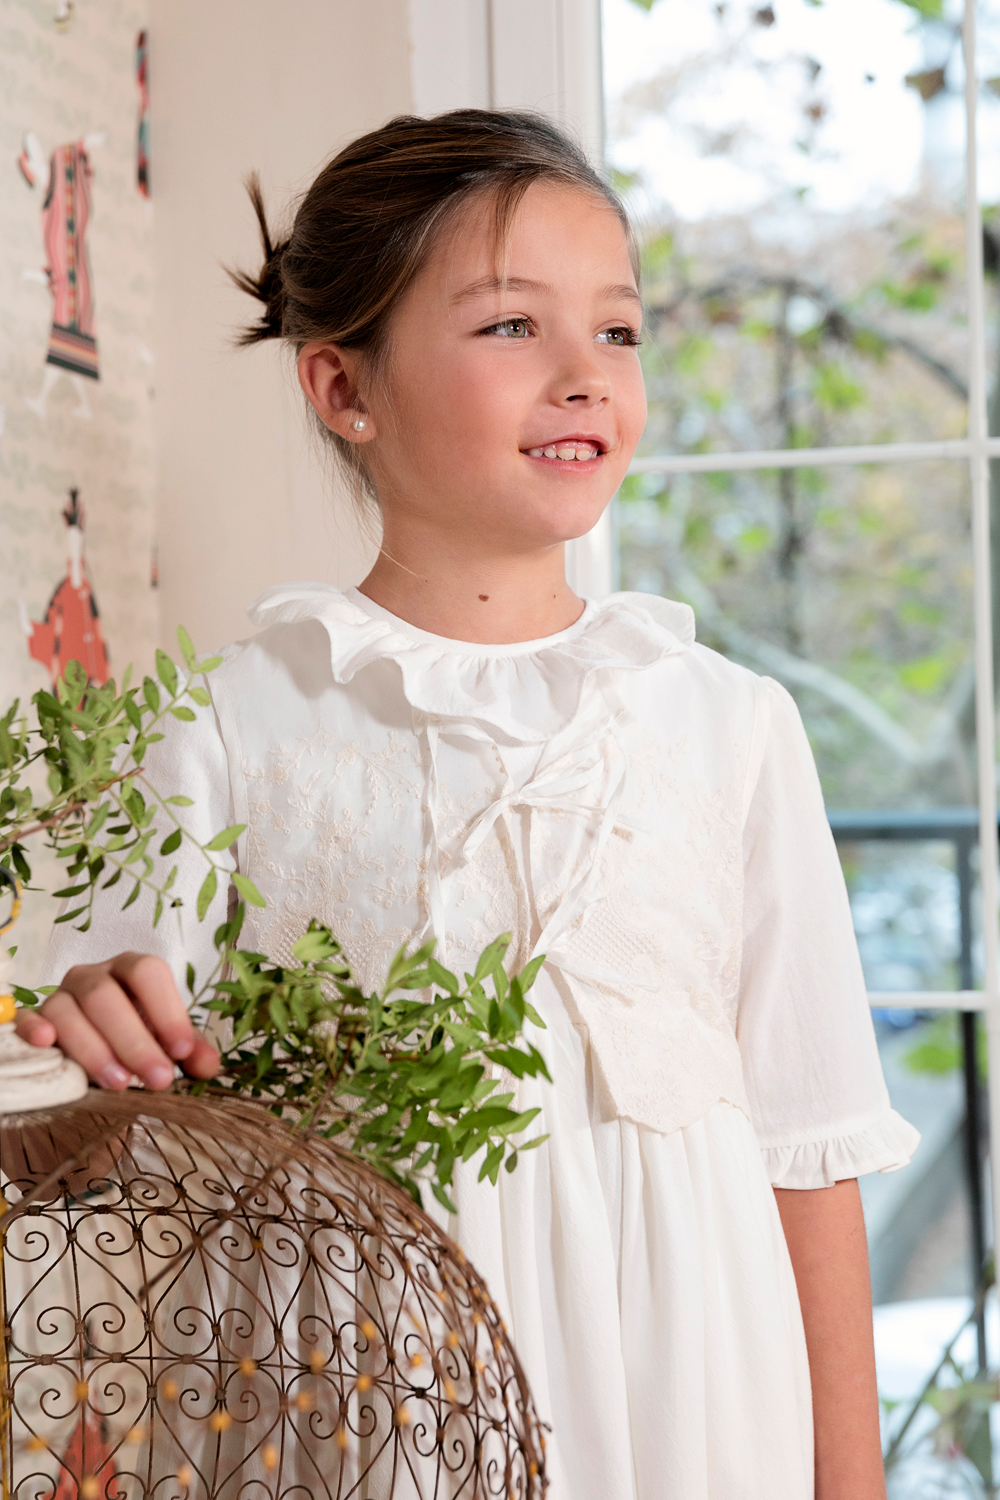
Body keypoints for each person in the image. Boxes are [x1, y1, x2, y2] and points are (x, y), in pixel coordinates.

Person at [18, 110, 918, 1500]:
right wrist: (86, 1016)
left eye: (617, 331)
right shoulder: (229, 725)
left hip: (697, 1387)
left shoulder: (731, 724)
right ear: (344, 387)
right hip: (373, 1394)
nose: (584, 374)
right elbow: (97, 1143)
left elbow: (811, 1152)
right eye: (511, 326)